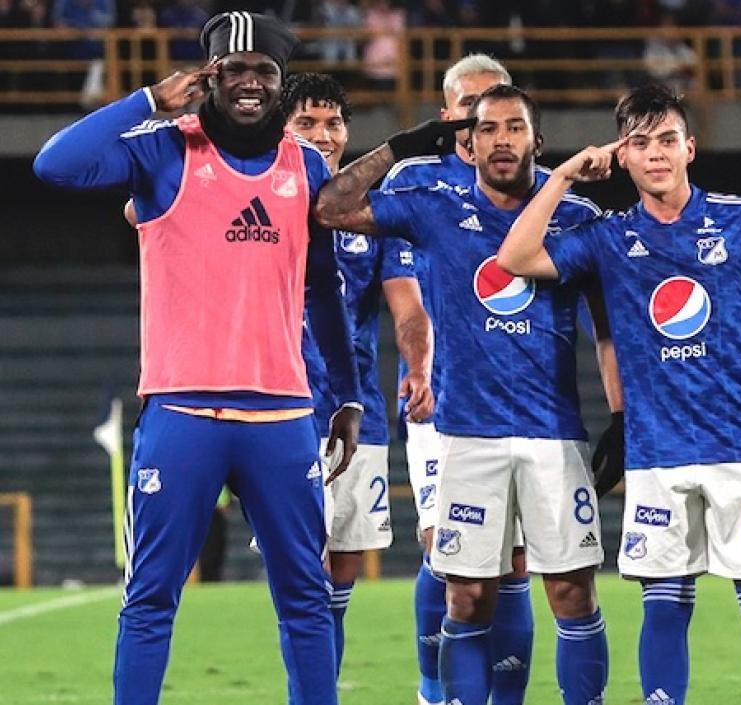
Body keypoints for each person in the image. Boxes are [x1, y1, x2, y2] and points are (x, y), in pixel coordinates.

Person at [33, 12, 363, 705]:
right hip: (183, 411)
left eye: (263, 72)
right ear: (209, 76)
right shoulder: (161, 151)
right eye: (233, 69)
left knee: (306, 596)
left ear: (279, 85)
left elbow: (324, 291)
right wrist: (148, 101)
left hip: (282, 414)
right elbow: (54, 163)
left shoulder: (304, 166)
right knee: (151, 596)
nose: (249, 83)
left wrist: (348, 394)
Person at [498, 82, 741, 705]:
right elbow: (514, 256)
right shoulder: (609, 238)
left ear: (690, 149)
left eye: (668, 141)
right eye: (641, 143)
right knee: (667, 606)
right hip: (656, 452)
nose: (657, 154)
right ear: (622, 155)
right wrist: (566, 172)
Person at [315, 83, 615, 705]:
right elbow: (331, 208)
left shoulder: (578, 217)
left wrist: (622, 415)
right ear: (468, 145)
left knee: (571, 591)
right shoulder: (433, 208)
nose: (502, 139)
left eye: (515, 127)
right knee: (466, 595)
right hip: (465, 436)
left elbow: (614, 327)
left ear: (538, 139)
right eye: (488, 130)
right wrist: (398, 147)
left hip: (552, 436)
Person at [380, 53, 546, 705]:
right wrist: (421, 368)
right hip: (441, 396)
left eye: (501, 111)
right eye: (472, 107)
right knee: (447, 554)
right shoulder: (415, 180)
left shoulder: (531, 188)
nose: (489, 125)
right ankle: (432, 690)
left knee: (515, 562)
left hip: (520, 399)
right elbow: (407, 295)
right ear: (450, 115)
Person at [282, 71, 433, 680]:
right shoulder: (259, 200)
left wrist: (419, 364)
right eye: (306, 123)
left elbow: (409, 307)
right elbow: (137, 209)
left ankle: (319, 689)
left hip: (355, 410)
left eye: (333, 123)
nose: (323, 135)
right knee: (301, 573)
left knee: (342, 570)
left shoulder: (370, 219)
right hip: (283, 410)